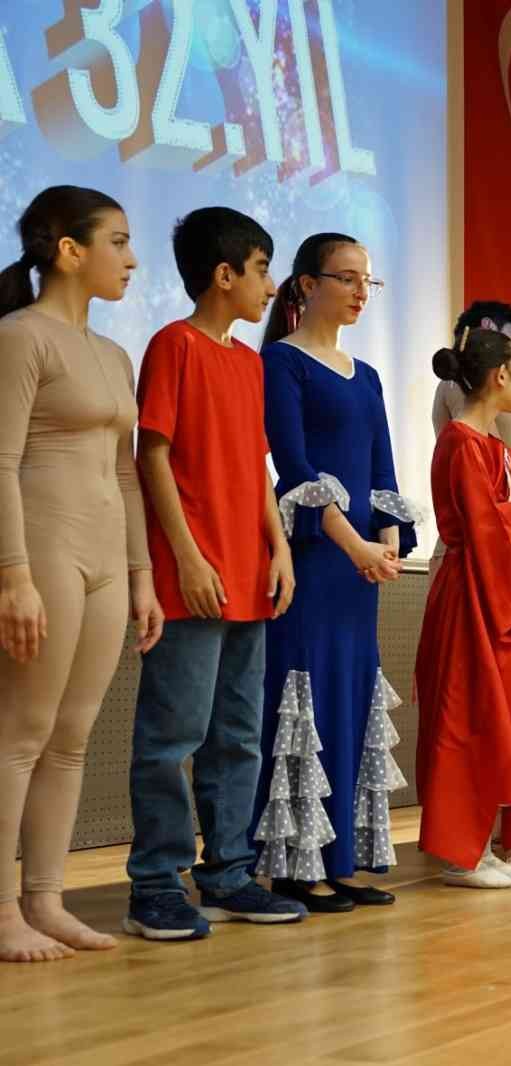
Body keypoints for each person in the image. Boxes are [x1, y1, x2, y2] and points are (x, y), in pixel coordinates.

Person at [125, 207, 309, 942]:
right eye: (262, 269)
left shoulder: (248, 362)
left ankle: (228, 871)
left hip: (248, 578)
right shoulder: (174, 345)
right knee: (173, 735)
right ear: (224, 274)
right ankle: (155, 884)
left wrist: (278, 546)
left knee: (238, 733)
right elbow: (153, 455)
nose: (270, 285)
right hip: (192, 577)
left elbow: (255, 466)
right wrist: (189, 555)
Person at [0, 187, 162, 961]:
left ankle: (46, 899)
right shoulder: (19, 337)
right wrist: (13, 575)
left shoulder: (113, 354)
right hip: (42, 548)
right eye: (118, 242)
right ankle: (3, 910)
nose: (131, 260)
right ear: (69, 250)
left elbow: (127, 475)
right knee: (21, 734)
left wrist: (141, 575)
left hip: (104, 556)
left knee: (70, 739)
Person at [251, 233, 420, 910]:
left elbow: (382, 471)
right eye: (345, 278)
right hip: (316, 560)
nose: (358, 292)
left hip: (359, 570)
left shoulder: (368, 374)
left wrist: (386, 543)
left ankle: (341, 857)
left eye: (366, 281)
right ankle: (294, 865)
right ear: (305, 285)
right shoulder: (281, 364)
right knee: (305, 696)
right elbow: (295, 469)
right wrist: (353, 546)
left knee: (349, 697)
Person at [416, 329, 511, 888]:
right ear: (500, 376)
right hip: (474, 594)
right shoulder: (459, 442)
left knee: (507, 718)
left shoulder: (496, 446)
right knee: (468, 715)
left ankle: (485, 842)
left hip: (506, 596)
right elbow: (486, 533)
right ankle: (459, 851)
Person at [428, 301, 511, 575]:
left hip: (503, 553)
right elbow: (488, 511)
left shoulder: (493, 440)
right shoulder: (464, 427)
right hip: (480, 564)